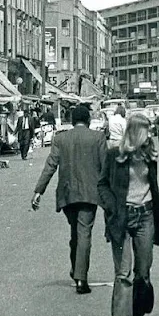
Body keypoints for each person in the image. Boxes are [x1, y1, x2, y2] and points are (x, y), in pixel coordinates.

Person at [97, 114, 159, 316]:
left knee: (143, 270)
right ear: (136, 133)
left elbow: (154, 185)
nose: (150, 135)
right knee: (123, 272)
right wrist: (112, 208)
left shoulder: (150, 156)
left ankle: (138, 310)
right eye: (146, 131)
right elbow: (101, 185)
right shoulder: (114, 156)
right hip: (122, 217)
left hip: (146, 215)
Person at [31, 106, 107, 294]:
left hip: (67, 194)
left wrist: (38, 191)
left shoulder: (61, 139)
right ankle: (81, 278)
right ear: (88, 119)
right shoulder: (98, 138)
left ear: (72, 120)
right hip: (90, 194)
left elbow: (50, 166)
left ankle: (76, 269)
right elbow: (106, 168)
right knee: (84, 234)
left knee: (76, 232)